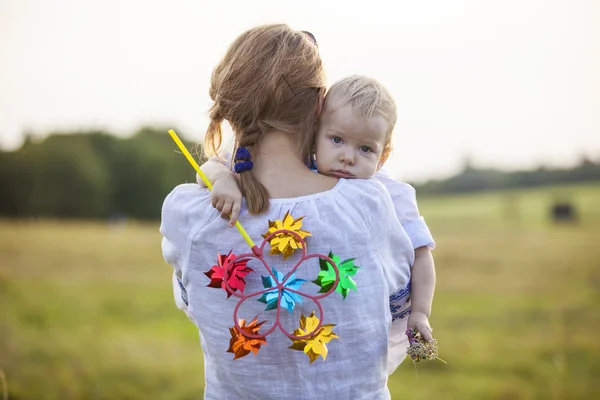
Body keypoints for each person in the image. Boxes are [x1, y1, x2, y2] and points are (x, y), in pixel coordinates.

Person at [160, 24, 414, 399]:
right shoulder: (366, 205)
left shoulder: (190, 216)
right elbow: (395, 309)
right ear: (318, 105)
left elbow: (194, 303)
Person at [198, 75, 437, 374]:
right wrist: (223, 179)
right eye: (336, 140)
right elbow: (210, 165)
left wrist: (420, 313)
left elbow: (422, 255)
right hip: (294, 312)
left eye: (366, 149)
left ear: (383, 155)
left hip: (356, 319)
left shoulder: (390, 193)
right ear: (314, 135)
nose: (348, 157)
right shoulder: (297, 170)